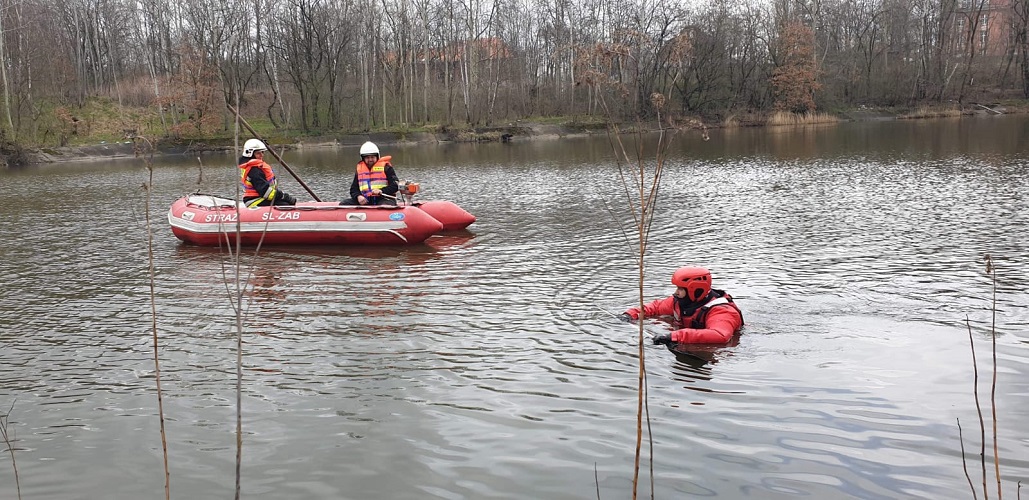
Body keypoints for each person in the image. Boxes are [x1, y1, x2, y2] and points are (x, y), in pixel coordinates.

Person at [620, 267, 744, 344]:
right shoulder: (679, 301)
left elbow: (721, 336)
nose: (676, 292)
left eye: (680, 289)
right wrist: (631, 314)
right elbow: (655, 307)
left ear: (694, 289)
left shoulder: (722, 311)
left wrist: (674, 336)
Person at [238, 138, 297, 207]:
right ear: (250, 154)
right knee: (285, 205)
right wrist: (284, 196)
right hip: (255, 200)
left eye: (262, 152)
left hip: (260, 197)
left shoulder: (252, 166)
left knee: (286, 203)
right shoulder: (254, 171)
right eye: (258, 153)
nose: (262, 155)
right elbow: (265, 192)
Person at [340, 141, 400, 206]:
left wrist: (381, 191)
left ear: (377, 157)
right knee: (344, 204)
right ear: (363, 158)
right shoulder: (359, 170)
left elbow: (395, 185)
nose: (370, 159)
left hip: (385, 198)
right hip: (366, 200)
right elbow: (353, 189)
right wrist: (358, 196)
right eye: (367, 157)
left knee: (384, 206)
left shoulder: (386, 167)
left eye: (372, 157)